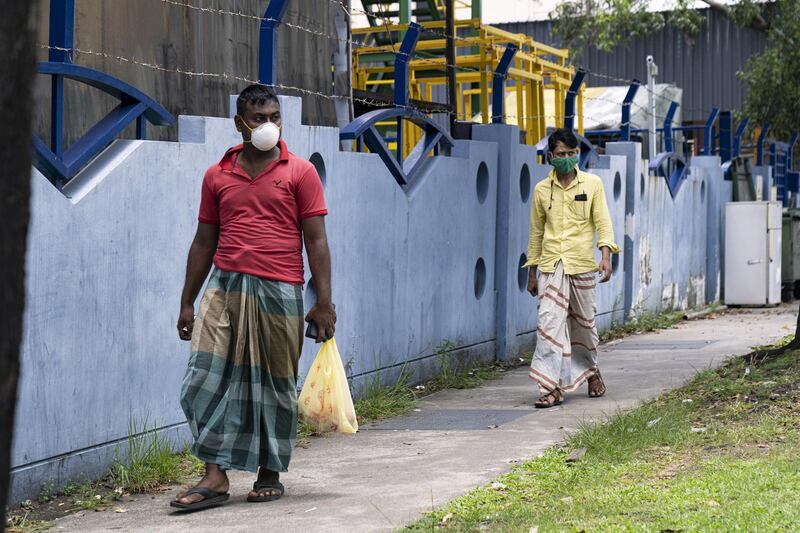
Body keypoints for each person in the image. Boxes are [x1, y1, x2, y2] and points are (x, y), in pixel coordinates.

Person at [171, 84, 336, 510]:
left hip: (280, 290)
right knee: (203, 379)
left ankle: (268, 471)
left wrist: (323, 301)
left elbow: (316, 240)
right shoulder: (217, 175)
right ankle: (215, 475)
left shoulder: (300, 172)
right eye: (258, 118)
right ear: (239, 123)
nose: (268, 126)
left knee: (274, 385)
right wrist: (188, 301)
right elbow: (204, 241)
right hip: (224, 289)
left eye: (274, 117)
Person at [524, 128, 619, 408]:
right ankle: (551, 387)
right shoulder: (542, 190)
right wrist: (531, 273)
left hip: (581, 265)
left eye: (571, 154)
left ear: (577, 154)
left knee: (584, 327)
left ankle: (591, 372)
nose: (566, 159)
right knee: (548, 326)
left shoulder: (592, 184)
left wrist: (606, 257)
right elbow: (536, 233)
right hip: (551, 266)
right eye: (561, 154)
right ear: (550, 156)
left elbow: (603, 222)